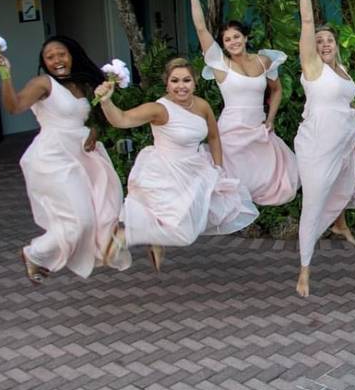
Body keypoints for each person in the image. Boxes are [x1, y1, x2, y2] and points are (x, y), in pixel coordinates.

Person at [0, 36, 131, 283]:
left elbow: (91, 117)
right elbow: (14, 106)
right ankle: (34, 254)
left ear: (72, 55)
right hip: (53, 157)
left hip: (82, 156)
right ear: (44, 62)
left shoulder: (81, 84)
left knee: (101, 207)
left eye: (61, 54)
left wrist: (95, 130)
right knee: (80, 220)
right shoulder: (44, 84)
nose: (57, 60)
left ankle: (86, 248)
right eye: (50, 57)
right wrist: (5, 75)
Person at [95, 58, 258, 271]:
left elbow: (214, 138)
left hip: (195, 171)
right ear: (167, 84)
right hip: (166, 170)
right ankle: (125, 235)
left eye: (186, 80)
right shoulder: (159, 109)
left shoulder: (202, 105)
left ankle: (156, 241)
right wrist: (106, 101)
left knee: (188, 224)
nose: (181, 86)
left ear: (195, 82)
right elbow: (122, 119)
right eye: (175, 81)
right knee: (184, 235)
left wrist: (218, 169)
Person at [183, 0, 299, 206]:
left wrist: (271, 118)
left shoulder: (263, 61)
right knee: (231, 182)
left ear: (245, 37)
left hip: (258, 129)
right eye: (227, 40)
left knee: (267, 180)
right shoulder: (220, 64)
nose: (233, 42)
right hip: (231, 130)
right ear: (223, 45)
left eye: (236, 36)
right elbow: (201, 29)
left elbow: (276, 90)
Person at [293, 0, 355, 297]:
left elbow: (346, 99)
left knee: (348, 182)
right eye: (318, 41)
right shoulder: (314, 68)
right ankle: (305, 268)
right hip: (318, 143)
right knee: (313, 202)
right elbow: (307, 23)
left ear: (337, 46)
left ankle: (339, 223)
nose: (323, 43)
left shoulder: (342, 71)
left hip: (343, 141)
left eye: (328, 40)